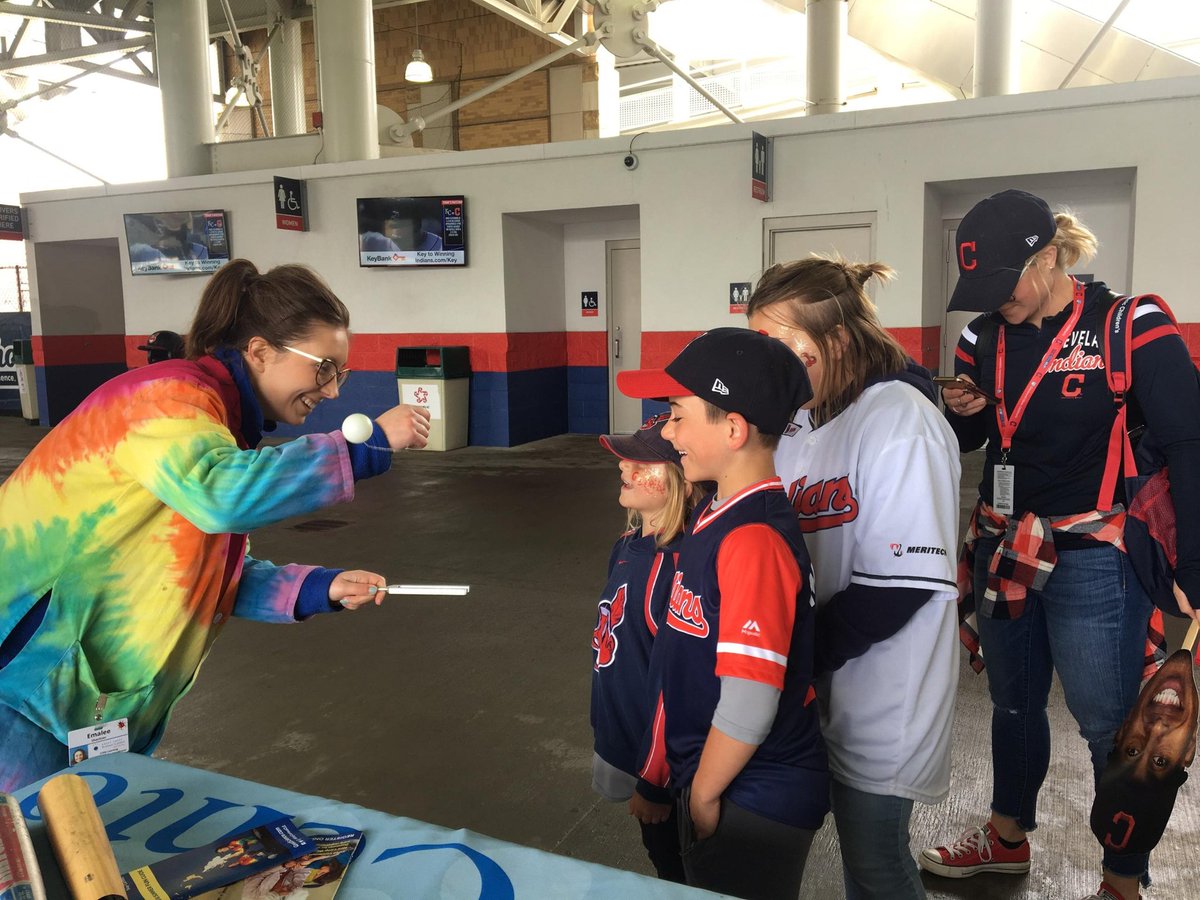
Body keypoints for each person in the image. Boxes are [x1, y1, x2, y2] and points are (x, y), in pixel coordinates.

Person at [0, 259, 432, 792]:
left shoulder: (215, 424)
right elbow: (221, 496)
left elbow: (192, 570)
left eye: (339, 373)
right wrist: (367, 446)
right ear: (259, 351)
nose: (334, 391)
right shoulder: (165, 399)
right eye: (324, 368)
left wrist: (317, 587)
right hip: (22, 683)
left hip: (69, 698)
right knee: (22, 862)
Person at [921, 189, 1200, 900]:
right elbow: (973, 443)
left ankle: (1121, 879)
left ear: (1047, 258)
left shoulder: (1129, 325)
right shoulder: (982, 339)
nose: (991, 302)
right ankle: (1007, 836)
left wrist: (1195, 561)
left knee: (1110, 722)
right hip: (1006, 547)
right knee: (1013, 705)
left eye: (1002, 284)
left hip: (1095, 561)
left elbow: (1191, 442)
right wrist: (963, 414)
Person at [745, 256, 961, 899]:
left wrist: (795, 656)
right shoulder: (800, 421)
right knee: (853, 869)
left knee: (877, 866)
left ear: (837, 341)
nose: (772, 371)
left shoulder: (900, 420)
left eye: (786, 350)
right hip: (821, 696)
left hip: (884, 698)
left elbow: (901, 585)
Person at [619, 327, 828, 900]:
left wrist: (704, 794)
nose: (667, 430)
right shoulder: (718, 514)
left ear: (733, 428)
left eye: (679, 415)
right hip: (721, 776)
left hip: (753, 792)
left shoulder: (753, 538)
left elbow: (750, 699)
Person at [590, 412, 697, 884]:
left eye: (641, 462)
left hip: (667, 767)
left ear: (680, 479)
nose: (623, 468)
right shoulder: (629, 543)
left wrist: (655, 782)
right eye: (625, 458)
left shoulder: (677, 565)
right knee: (659, 857)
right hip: (627, 733)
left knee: (679, 867)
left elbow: (679, 686)